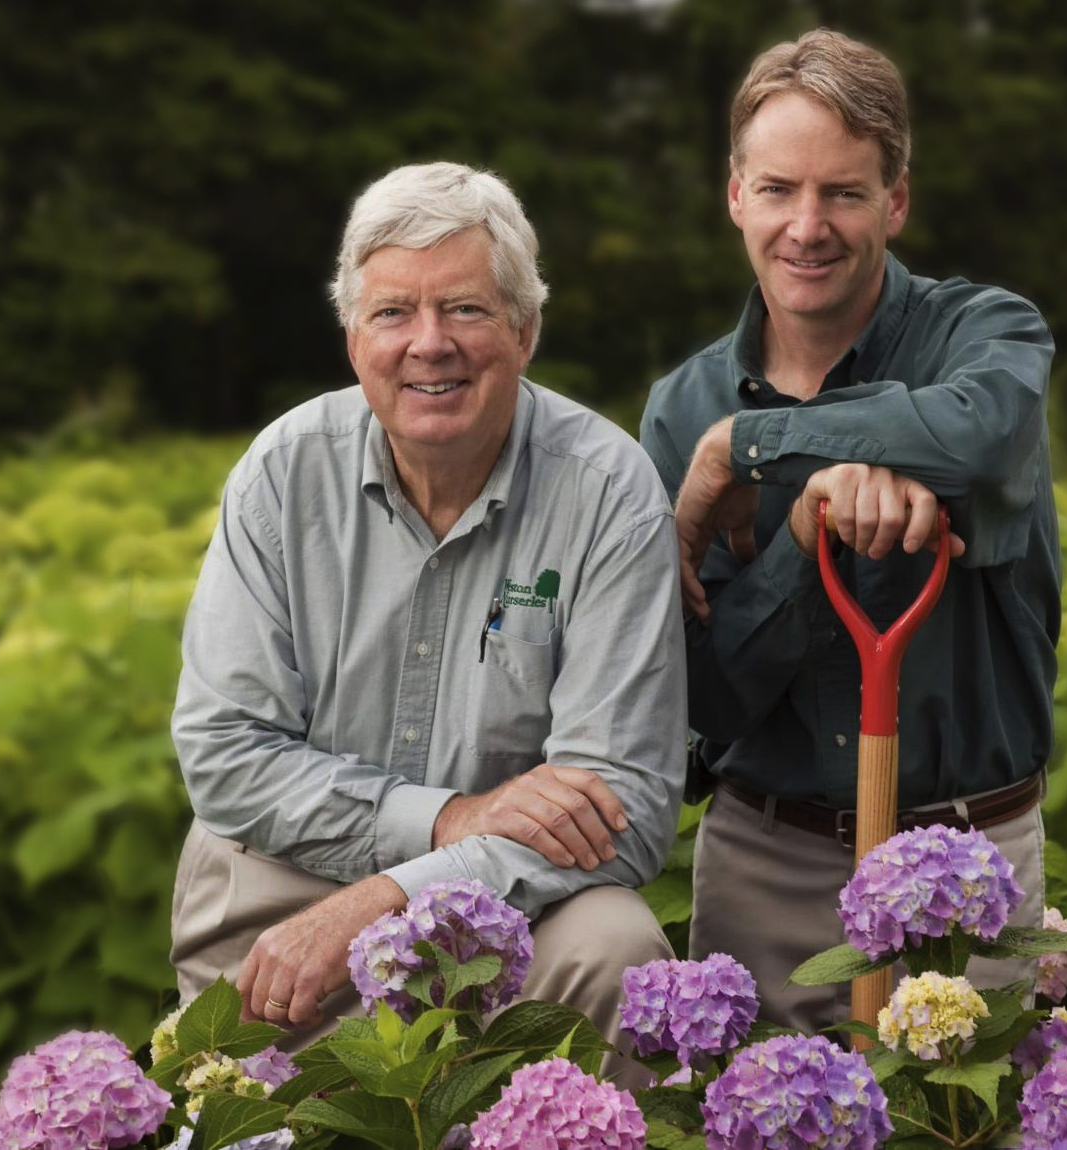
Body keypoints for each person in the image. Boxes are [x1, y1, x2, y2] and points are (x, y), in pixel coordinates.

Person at [169, 162, 685, 1069]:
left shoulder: (608, 492)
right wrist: (447, 819)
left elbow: (629, 808)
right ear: (352, 336)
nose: (429, 343)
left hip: (507, 920)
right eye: (393, 313)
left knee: (615, 943)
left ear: (525, 331)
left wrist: (392, 896)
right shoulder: (281, 473)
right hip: (281, 898)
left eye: (466, 309)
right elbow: (225, 752)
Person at [639, 29, 1059, 1031]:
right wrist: (812, 519)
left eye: (846, 192)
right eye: (779, 188)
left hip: (970, 872)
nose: (808, 225)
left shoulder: (986, 337)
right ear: (736, 194)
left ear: (897, 200)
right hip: (765, 873)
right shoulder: (680, 405)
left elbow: (978, 438)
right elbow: (705, 694)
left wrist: (748, 448)